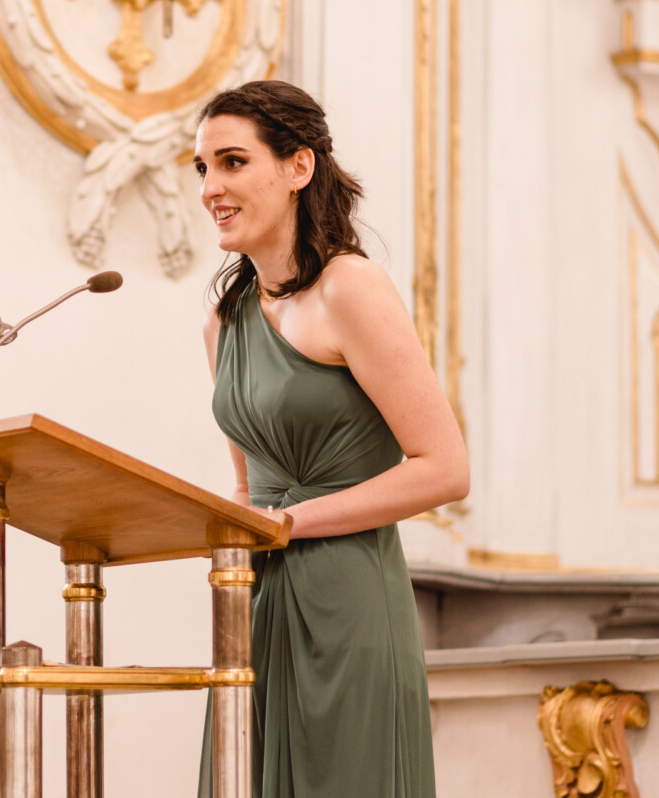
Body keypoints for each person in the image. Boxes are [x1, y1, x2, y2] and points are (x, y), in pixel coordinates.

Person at [192, 80, 470, 798]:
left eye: (231, 162)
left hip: (349, 603)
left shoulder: (352, 288)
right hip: (254, 609)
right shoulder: (224, 325)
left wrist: (288, 523)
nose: (210, 188)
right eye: (201, 169)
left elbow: (445, 469)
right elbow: (250, 487)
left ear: (298, 168)